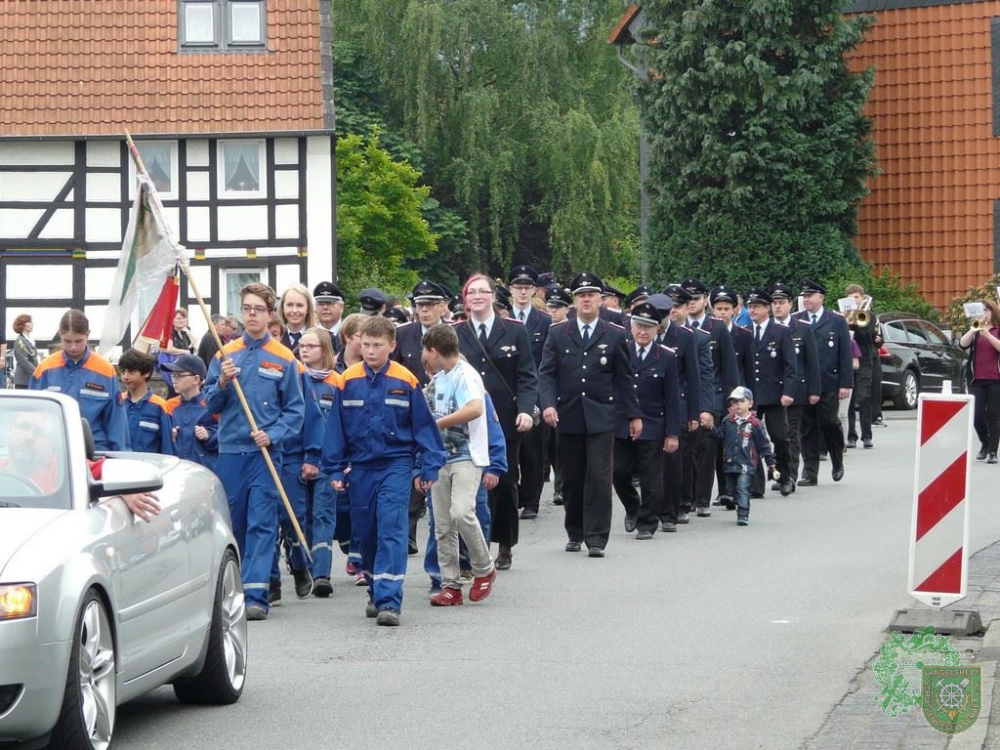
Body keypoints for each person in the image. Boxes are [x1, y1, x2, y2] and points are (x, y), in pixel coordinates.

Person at [322, 316, 446, 626]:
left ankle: (390, 600)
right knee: (366, 531)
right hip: (360, 467)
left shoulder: (406, 380)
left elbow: (423, 427)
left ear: (392, 346)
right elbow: (335, 429)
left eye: (378, 345)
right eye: (366, 345)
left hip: (396, 463)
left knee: (391, 526)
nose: (371, 351)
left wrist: (429, 465)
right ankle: (376, 590)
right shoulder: (346, 380)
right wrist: (335, 469)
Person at [205, 283, 305, 622]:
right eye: (246, 308)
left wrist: (274, 434)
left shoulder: (284, 358)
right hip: (231, 450)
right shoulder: (224, 353)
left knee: (262, 522)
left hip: (265, 453)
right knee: (236, 523)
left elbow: (295, 410)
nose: (251, 314)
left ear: (269, 313)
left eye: (258, 309)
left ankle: (256, 593)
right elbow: (210, 403)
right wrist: (220, 383)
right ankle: (240, 586)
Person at [539, 272, 641, 556]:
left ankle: (596, 538)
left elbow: (625, 378)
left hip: (602, 415)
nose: (586, 300)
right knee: (571, 477)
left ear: (600, 300)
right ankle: (575, 530)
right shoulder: (558, 332)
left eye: (592, 295)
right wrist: (548, 404)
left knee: (599, 477)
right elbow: (547, 373)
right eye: (581, 295)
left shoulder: (615, 333)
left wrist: (634, 416)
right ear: (575, 300)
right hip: (567, 414)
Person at [455, 273, 538, 570]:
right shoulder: (456, 332)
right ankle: (473, 549)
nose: (477, 296)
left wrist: (527, 409)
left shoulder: (514, 331)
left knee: (504, 483)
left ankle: (505, 544)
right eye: (471, 292)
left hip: (504, 419)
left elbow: (527, 375)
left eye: (483, 291)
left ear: (493, 296)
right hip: (466, 420)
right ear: (465, 299)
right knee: (468, 484)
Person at [421, 324, 497, 606]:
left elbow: (475, 409)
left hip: (466, 455)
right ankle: (450, 583)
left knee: (462, 511)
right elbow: (422, 411)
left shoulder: (466, 375)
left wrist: (438, 423)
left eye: (425, 353)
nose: (425, 359)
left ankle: (484, 567)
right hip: (440, 457)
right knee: (442, 523)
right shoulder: (438, 380)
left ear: (433, 350)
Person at [611, 302, 681, 539]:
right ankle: (633, 506)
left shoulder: (667, 357)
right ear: (631, 328)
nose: (643, 332)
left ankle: (647, 523)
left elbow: (672, 397)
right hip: (622, 423)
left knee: (651, 477)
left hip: (653, 424)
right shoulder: (620, 351)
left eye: (648, 328)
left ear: (657, 330)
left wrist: (672, 433)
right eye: (639, 326)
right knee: (618, 471)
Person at [393, 280, 451, 556]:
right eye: (420, 305)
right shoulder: (404, 334)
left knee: (439, 471)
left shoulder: (454, 334)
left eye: (430, 305)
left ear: (442, 306)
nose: (424, 310)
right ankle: (408, 532)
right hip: (410, 412)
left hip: (447, 415)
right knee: (412, 472)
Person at [30, 309, 130, 452]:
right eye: (67, 341)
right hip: (53, 450)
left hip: (94, 451)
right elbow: (32, 414)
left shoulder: (105, 370)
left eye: (79, 341)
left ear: (88, 335)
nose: (73, 347)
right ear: (60, 335)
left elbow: (116, 420)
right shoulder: (45, 369)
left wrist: (120, 455)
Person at [682, 277, 740, 514]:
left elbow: (729, 368)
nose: (692, 303)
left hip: (712, 396)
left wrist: (732, 402)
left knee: (706, 449)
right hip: (686, 397)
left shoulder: (716, 327)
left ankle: (703, 499)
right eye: (688, 299)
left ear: (705, 300)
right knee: (688, 450)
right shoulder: (680, 327)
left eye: (696, 298)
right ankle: (689, 495)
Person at [296, 328, 343, 596]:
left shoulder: (337, 382)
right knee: (302, 518)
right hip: (297, 458)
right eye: (302, 345)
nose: (304, 350)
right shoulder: (294, 378)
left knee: (323, 514)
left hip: (327, 460)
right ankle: (304, 567)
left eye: (311, 346)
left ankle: (322, 573)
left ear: (324, 349)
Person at [650, 293, 702, 530]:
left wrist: (694, 414)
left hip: (676, 407)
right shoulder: (640, 333)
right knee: (649, 463)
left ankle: (670, 512)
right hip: (648, 407)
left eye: (662, 316)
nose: (658, 321)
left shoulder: (684, 337)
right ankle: (648, 509)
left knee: (673, 462)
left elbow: (693, 378)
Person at [794, 279, 852, 486]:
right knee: (807, 426)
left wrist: (846, 384)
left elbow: (845, 354)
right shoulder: (797, 320)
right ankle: (810, 472)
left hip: (829, 381)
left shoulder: (836, 321)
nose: (806, 299)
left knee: (828, 422)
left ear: (821, 297)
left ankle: (837, 460)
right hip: (805, 382)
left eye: (810, 296)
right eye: (804, 296)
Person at [742, 287, 796, 496]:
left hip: (774, 394)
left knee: (780, 437)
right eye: (750, 306)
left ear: (767, 308)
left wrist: (788, 392)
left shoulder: (781, 332)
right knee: (751, 439)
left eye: (756, 306)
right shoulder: (745, 331)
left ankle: (785, 476)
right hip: (751, 396)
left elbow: (790, 366)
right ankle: (756, 485)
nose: (752, 310)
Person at [508, 265, 551, 521]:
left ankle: (532, 500)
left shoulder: (544, 322)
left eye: (527, 288)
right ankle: (514, 494)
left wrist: (546, 399)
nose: (523, 292)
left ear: (534, 291)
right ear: (511, 290)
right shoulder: (502, 319)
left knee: (533, 452)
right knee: (511, 449)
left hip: (534, 394)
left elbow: (547, 364)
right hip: (508, 393)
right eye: (518, 287)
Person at [769, 283, 821, 491]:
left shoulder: (803, 328)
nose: (778, 307)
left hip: (796, 389)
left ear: (790, 304)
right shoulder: (767, 329)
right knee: (775, 435)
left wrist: (814, 390)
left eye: (781, 302)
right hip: (772, 389)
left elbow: (812, 362)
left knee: (791, 432)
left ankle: (789, 475)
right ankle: (779, 472)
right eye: (774, 303)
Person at [712, 387, 777, 526]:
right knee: (732, 487)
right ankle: (734, 499)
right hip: (729, 462)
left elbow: (763, 444)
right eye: (734, 402)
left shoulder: (755, 424)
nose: (738, 405)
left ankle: (743, 513)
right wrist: (710, 428)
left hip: (746, 463)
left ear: (750, 403)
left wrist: (770, 461)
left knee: (743, 487)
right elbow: (719, 437)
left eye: (742, 401)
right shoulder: (727, 421)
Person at [959, 298, 1000, 463]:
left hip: (995, 379)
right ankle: (984, 442)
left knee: (994, 415)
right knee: (976, 415)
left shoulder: (997, 330)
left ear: (993, 312)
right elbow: (962, 344)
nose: (984, 314)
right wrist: (973, 329)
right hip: (976, 379)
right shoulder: (976, 329)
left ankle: (992, 451)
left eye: (987, 310)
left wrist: (987, 334)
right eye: (982, 310)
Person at [163, 353, 218, 470]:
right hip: (176, 470)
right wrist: (169, 436)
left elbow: (227, 434)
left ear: (196, 379)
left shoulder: (212, 404)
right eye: (172, 375)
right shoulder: (168, 405)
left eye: (179, 375)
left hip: (205, 471)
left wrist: (209, 435)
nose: (174, 380)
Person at [118, 348, 174, 455]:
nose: (125, 377)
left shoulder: (160, 406)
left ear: (146, 373)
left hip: (149, 467)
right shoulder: (118, 402)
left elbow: (167, 446)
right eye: (123, 372)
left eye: (131, 372)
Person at [844, 284, 878, 449]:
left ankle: (867, 435)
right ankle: (851, 436)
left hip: (864, 360)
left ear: (862, 298)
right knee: (848, 400)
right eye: (850, 298)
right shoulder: (842, 317)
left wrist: (855, 323)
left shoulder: (869, 316)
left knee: (863, 396)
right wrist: (845, 322)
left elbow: (866, 338)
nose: (854, 300)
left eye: (856, 297)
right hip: (847, 360)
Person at [277, 283, 316, 359]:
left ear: (308, 308)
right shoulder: (275, 336)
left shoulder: (320, 338)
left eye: (299, 305)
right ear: (282, 307)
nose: (294, 310)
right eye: (290, 305)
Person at [313, 281, 345, 352]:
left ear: (341, 307)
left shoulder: (350, 334)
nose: (325, 307)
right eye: (320, 303)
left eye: (330, 303)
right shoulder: (309, 334)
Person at [12, 314, 38, 389]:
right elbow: (24, 361)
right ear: (22, 325)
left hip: (30, 379)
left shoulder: (29, 340)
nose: (32, 324)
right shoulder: (20, 341)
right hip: (23, 380)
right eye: (29, 322)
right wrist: (37, 372)